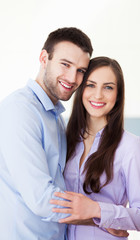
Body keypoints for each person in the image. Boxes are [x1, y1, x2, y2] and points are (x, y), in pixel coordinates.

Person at [0, 27, 93, 240]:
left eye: (80, 70)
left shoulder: (54, 116)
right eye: (65, 64)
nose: (72, 78)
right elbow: (41, 198)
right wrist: (101, 216)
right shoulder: (20, 110)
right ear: (44, 58)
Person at [50, 57, 140, 239]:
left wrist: (96, 210)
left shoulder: (131, 146)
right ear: (81, 89)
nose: (98, 95)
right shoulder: (65, 139)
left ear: (118, 94)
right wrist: (97, 219)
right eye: (91, 85)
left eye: (108, 87)